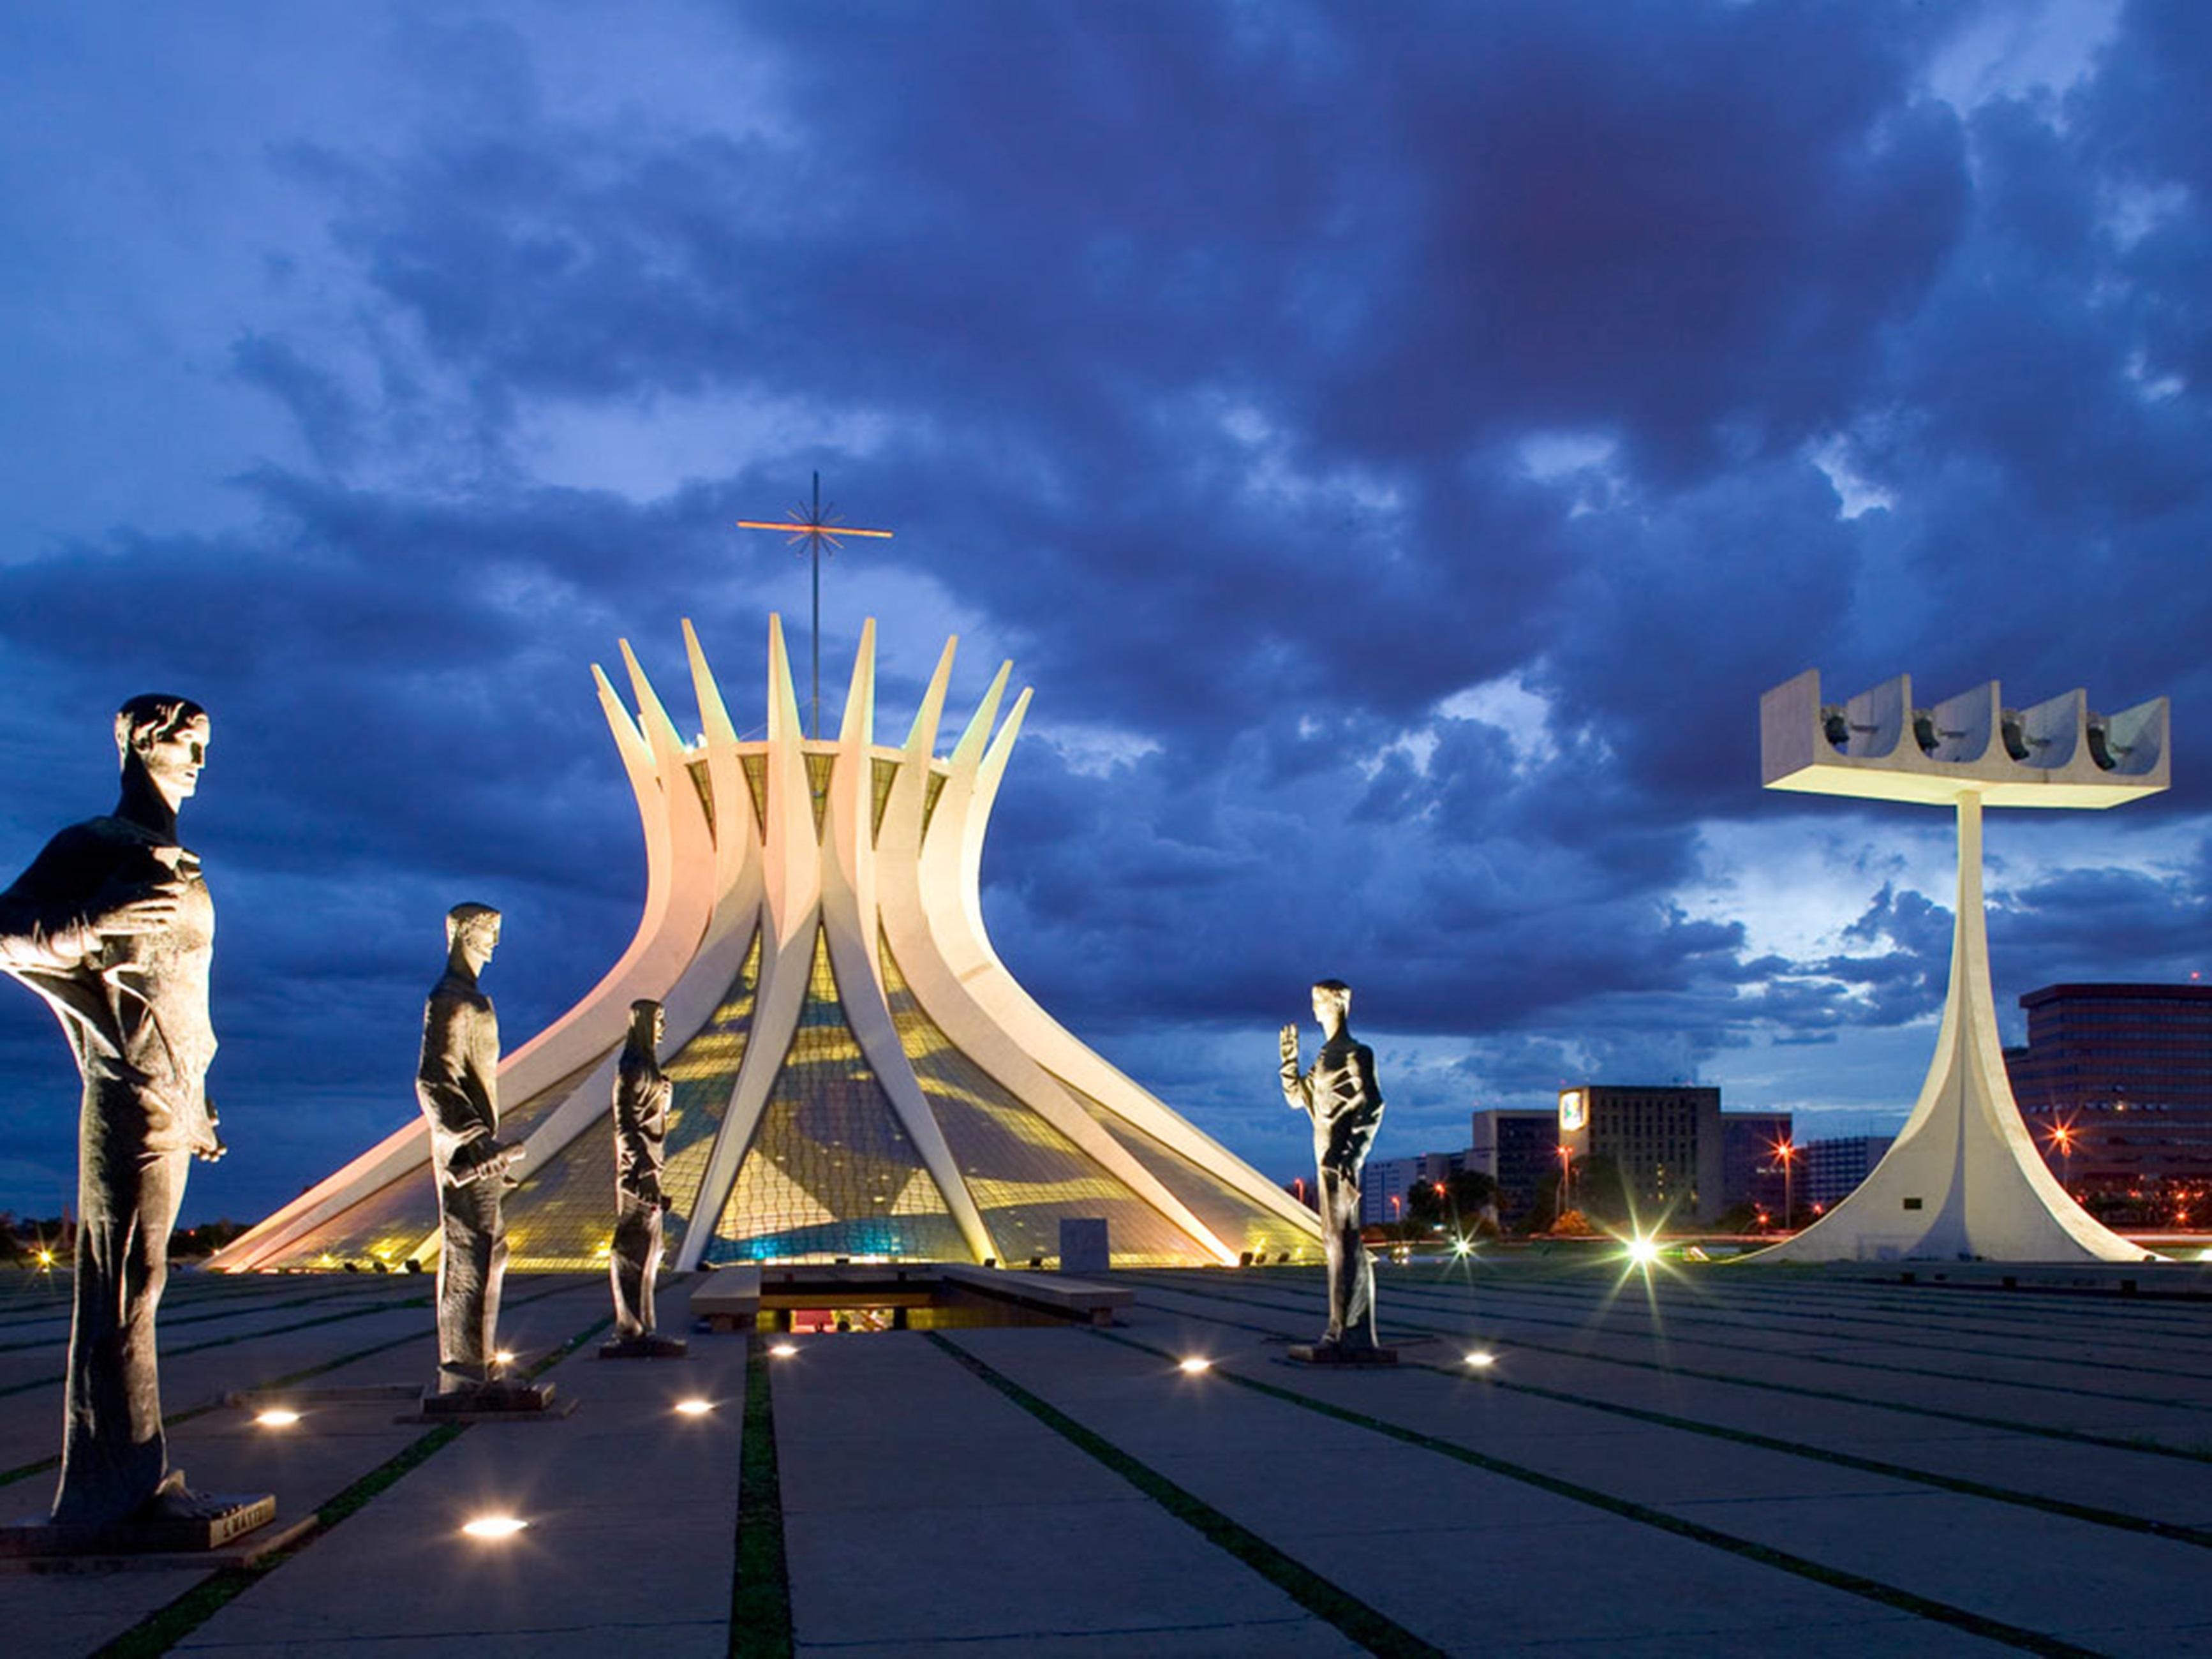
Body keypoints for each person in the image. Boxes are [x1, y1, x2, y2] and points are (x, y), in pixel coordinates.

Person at [0, 694, 227, 1525]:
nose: (197, 759)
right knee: (120, 1283)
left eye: (203, 744)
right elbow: (5, 933)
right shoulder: (94, 845)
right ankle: (111, 1489)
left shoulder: (179, 858)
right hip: (127, 1091)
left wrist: (198, 1097)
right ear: (136, 742)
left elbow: (180, 1000)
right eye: (181, 741)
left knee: (146, 1280)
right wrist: (93, 923)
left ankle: (139, 1478)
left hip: (172, 1093)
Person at [417, 902, 522, 1393]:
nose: (494, 943)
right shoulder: (450, 1000)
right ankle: (463, 1369)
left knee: (490, 1252)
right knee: (469, 1251)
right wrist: (474, 1140)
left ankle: (478, 1362)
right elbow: (433, 1079)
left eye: (498, 933)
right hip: (465, 1152)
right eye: (487, 932)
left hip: (483, 1151)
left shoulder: (475, 998)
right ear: (461, 935)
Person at [1280, 979, 1386, 1355]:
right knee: (1333, 1243)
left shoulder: (1357, 1052)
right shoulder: (1324, 1056)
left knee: (1344, 1243)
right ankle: (1342, 1329)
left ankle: (1347, 1333)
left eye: (1319, 1002)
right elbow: (1298, 1101)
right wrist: (1289, 1064)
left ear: (1338, 1005)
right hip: (1324, 1157)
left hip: (1339, 1162)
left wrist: (1353, 1152)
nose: (1314, 1010)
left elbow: (1373, 1103)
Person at [608, 998, 672, 1347]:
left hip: (652, 1167)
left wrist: (665, 1098)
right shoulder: (632, 1068)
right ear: (643, 1023)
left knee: (652, 1249)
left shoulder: (649, 1067)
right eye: (659, 1020)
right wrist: (644, 1171)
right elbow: (626, 1126)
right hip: (638, 1175)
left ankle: (644, 1326)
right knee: (632, 1248)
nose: (662, 1027)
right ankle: (629, 1328)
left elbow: (650, 1120)